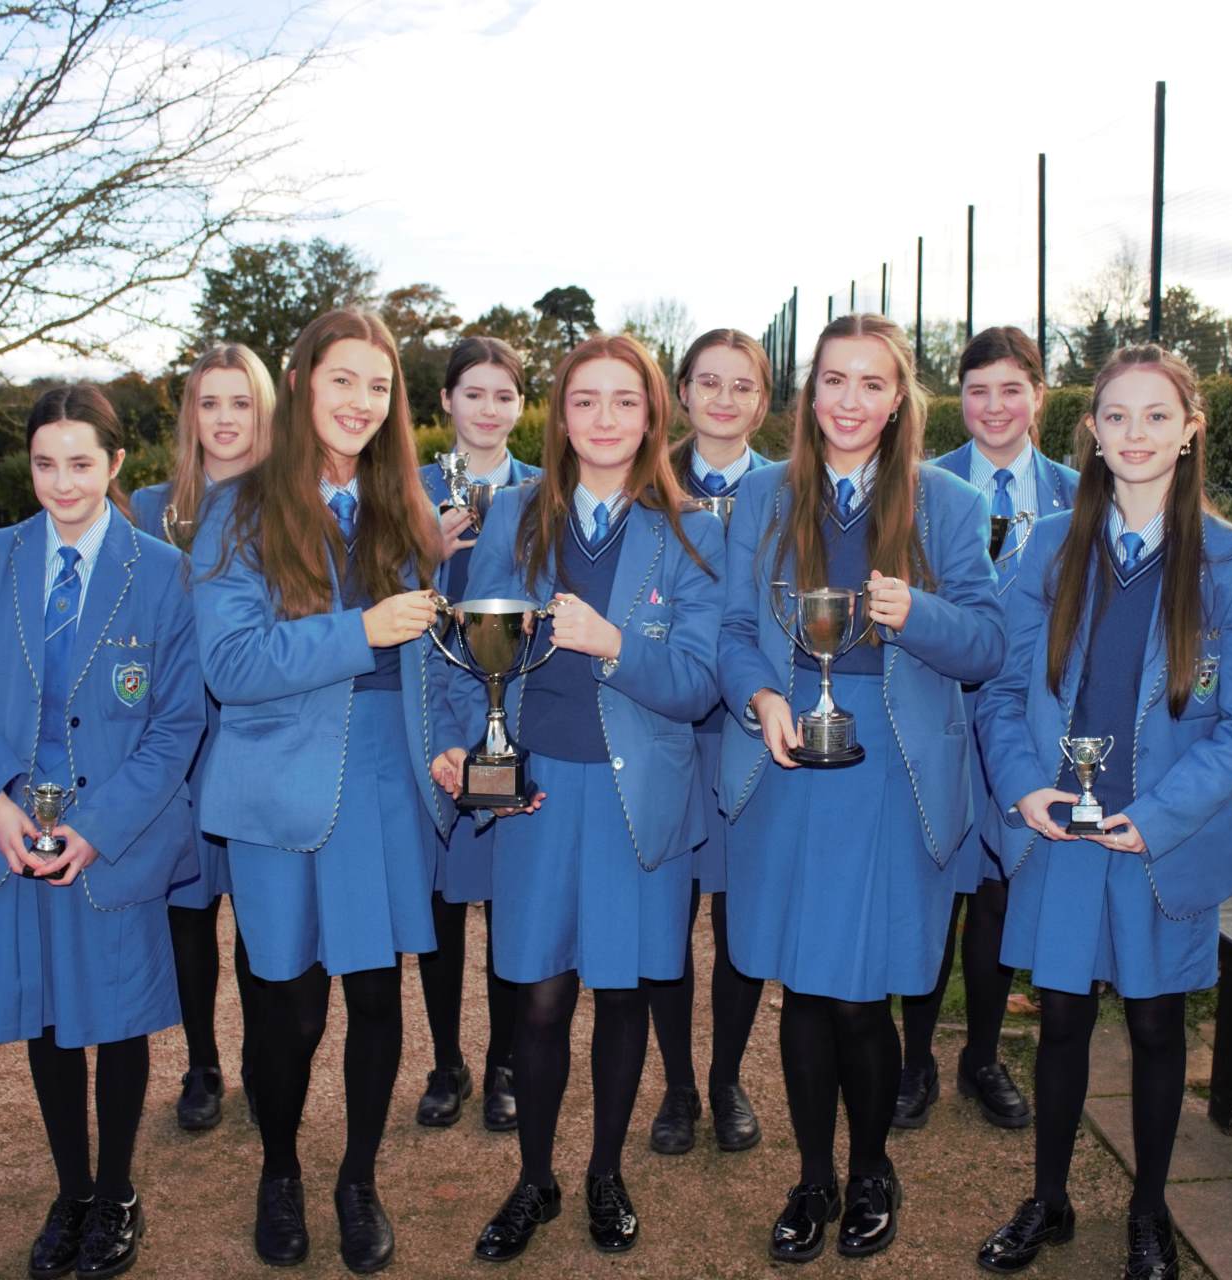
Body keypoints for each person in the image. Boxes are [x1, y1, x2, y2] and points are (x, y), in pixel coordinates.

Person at [973, 345, 1232, 1280]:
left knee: (1154, 1027)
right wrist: (1024, 786)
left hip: (1157, 842)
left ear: (1190, 431)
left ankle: (1149, 1211)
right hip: (1063, 832)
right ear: (1092, 433)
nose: (1134, 433)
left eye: (1156, 416)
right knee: (1061, 1020)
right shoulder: (1049, 549)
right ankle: (1049, 1199)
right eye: (1116, 416)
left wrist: (1160, 814)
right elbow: (1002, 694)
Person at [430, 333, 723, 1263]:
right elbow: (464, 652)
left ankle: (604, 1172)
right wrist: (463, 745)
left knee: (624, 994)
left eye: (624, 401)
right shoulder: (516, 515)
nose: (604, 419)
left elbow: (698, 684)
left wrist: (615, 646)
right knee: (540, 998)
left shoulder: (691, 529)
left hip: (639, 798)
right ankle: (535, 1179)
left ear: (653, 416)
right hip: (538, 794)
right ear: (559, 415)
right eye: (585, 400)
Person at [719, 313, 1005, 1263]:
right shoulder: (763, 495)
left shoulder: (948, 503)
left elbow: (988, 644)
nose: (850, 401)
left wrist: (916, 612)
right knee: (804, 990)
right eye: (834, 381)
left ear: (898, 400)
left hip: (892, 768)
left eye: (871, 383)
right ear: (811, 395)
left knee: (860, 997)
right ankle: (814, 1178)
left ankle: (873, 1168)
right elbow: (731, 630)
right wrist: (760, 695)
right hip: (789, 758)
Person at [190, 309, 454, 1275]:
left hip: (385, 779)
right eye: (344, 380)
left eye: (379, 387)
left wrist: (452, 745)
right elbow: (230, 665)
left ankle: (358, 1179)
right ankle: (279, 1171)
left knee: (377, 995)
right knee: (289, 1007)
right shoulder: (239, 509)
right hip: (278, 789)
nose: (361, 402)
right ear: (302, 383)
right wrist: (360, 631)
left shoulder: (404, 508)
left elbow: (435, 656)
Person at [0, 383, 205, 1280]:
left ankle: (118, 1191)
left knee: (117, 1019)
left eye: (81, 463)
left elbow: (176, 724)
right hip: (16, 831)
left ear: (116, 463)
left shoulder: (161, 572)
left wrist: (97, 826)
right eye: (45, 464)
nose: (62, 483)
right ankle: (73, 1192)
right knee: (46, 1019)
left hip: (112, 834)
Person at [895, 325, 1078, 1132]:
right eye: (977, 391)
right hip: (937, 717)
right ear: (958, 400)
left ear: (1039, 396)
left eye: (1011, 389)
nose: (994, 406)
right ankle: (915, 1060)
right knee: (935, 886)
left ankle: (983, 1055)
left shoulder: (1081, 494)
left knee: (1000, 893)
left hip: (1025, 728)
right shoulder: (920, 490)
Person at [128, 342, 274, 1132]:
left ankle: (259, 1060)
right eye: (209, 403)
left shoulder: (288, 503)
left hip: (255, 734)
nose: (224, 419)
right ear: (190, 414)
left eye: (239, 403)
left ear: (263, 411)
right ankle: (201, 1063)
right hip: (177, 740)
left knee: (259, 912)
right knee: (188, 912)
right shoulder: (152, 507)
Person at [645, 328, 774, 1157]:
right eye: (708, 382)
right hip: (665, 727)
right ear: (683, 392)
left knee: (739, 917)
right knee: (666, 912)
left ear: (763, 401)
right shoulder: (644, 483)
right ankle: (678, 1084)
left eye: (742, 385)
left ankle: (725, 1077)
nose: (724, 399)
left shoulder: (788, 491)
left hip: (751, 730)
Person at [410, 335, 541, 1132]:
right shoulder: (405, 488)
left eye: (505, 395)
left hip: (506, 713)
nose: (489, 410)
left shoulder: (544, 491)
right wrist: (424, 553)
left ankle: (503, 1062)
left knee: (504, 899)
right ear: (446, 401)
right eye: (474, 393)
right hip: (427, 711)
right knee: (439, 906)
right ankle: (445, 1060)